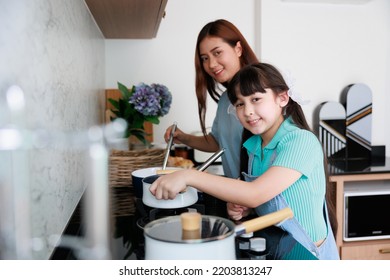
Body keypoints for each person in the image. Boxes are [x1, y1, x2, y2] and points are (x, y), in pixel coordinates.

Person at [151, 62, 340, 260]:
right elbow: (265, 196)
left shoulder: (300, 141)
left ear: (282, 98)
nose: (247, 111)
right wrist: (245, 206)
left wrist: (188, 176)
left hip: (307, 256)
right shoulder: (254, 146)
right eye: (240, 103)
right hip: (278, 249)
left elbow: (255, 193)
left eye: (256, 99)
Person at [164, 19, 259, 180]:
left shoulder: (261, 96)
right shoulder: (225, 100)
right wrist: (184, 137)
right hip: (238, 195)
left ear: (238, 49)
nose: (212, 64)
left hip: (260, 196)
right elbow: (218, 142)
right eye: (205, 58)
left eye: (217, 53)